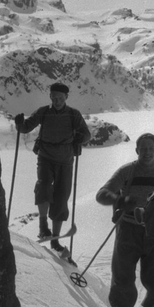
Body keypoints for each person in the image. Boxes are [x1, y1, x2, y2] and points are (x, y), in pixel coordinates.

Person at [95, 133, 154, 307]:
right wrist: (118, 200)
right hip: (128, 230)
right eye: (143, 148)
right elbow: (102, 194)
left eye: (151, 148)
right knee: (123, 276)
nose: (147, 152)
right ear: (136, 151)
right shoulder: (126, 172)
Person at [14, 83, 91, 256]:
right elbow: (26, 127)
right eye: (54, 98)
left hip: (65, 159)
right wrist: (19, 124)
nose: (57, 101)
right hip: (46, 156)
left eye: (60, 98)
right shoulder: (43, 111)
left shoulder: (73, 114)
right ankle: (43, 226)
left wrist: (81, 137)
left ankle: (55, 239)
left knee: (61, 196)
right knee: (44, 185)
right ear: (50, 96)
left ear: (66, 98)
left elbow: (86, 134)